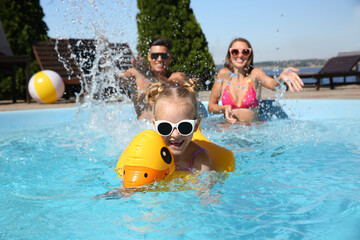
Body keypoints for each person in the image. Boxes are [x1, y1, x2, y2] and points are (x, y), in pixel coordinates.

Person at [208, 37, 304, 124]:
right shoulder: (223, 74)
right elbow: (211, 106)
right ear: (230, 54)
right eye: (235, 51)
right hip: (228, 130)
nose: (240, 55)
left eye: (245, 52)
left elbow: (273, 85)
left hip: (252, 132)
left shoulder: (255, 74)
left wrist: (281, 77)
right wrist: (223, 108)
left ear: (250, 54)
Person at [145, 79, 213, 172]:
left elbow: (205, 185)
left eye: (184, 127)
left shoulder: (200, 160)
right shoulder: (149, 153)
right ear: (155, 125)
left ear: (196, 126)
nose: (175, 134)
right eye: (165, 127)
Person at [118, 38, 186, 120]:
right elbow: (117, 80)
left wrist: (149, 73)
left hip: (168, 129)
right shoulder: (136, 74)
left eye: (164, 56)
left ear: (170, 57)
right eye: (155, 56)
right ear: (149, 57)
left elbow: (173, 84)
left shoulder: (177, 76)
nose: (159, 59)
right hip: (143, 128)